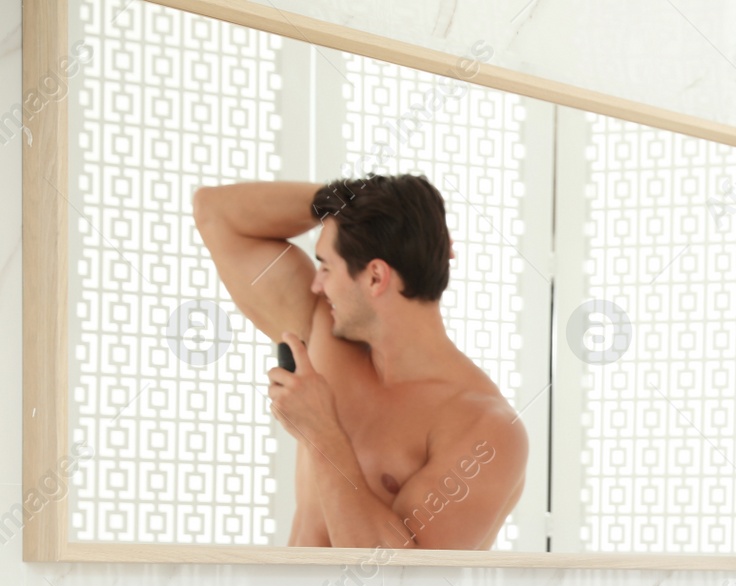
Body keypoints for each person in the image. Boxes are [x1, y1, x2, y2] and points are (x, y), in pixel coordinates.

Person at [192, 173, 527, 549]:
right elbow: (214, 212)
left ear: (375, 278)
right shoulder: (325, 334)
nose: (316, 285)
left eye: (326, 267)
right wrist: (343, 200)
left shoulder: (486, 429)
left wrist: (323, 436)